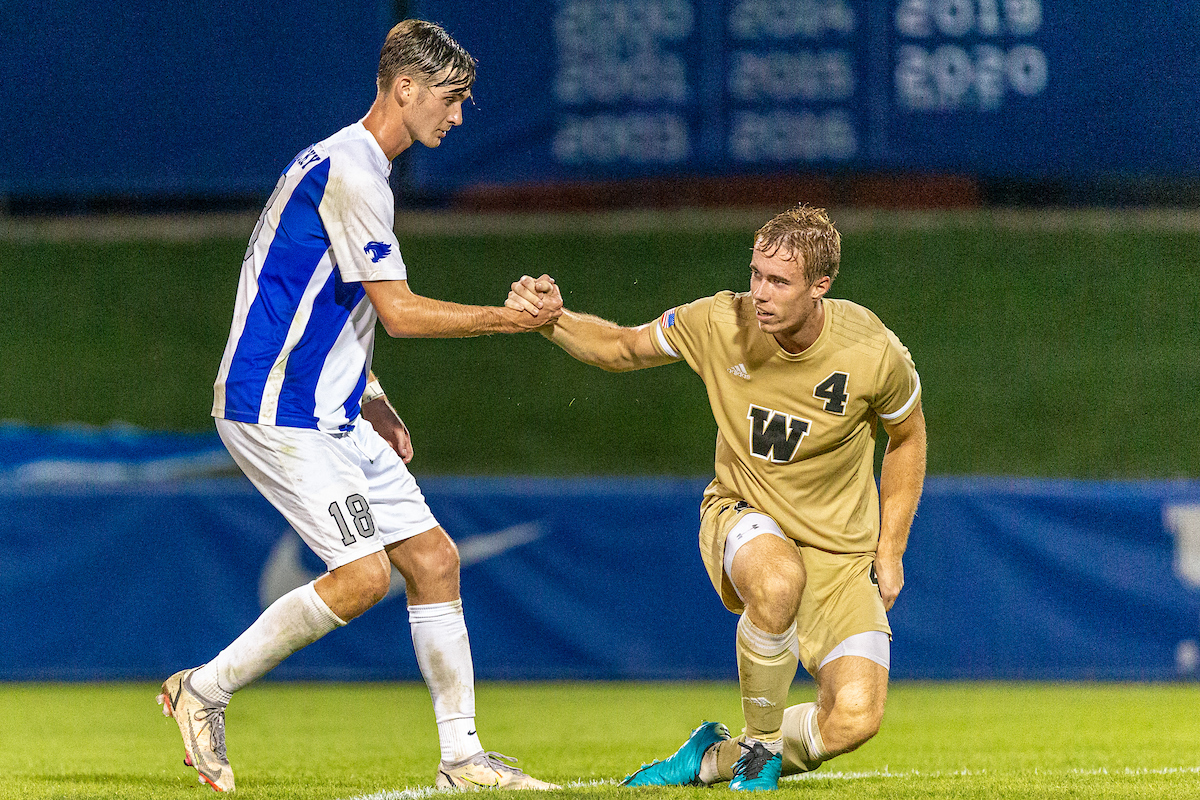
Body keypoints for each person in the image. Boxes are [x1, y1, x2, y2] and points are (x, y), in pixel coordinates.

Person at [158, 20, 561, 793]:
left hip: (334, 409)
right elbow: (400, 312)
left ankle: (462, 760)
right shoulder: (354, 171)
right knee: (364, 577)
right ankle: (202, 690)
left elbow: (330, 303)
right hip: (276, 408)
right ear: (405, 89)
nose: (460, 115)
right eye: (452, 98)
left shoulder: (352, 164)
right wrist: (509, 320)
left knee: (435, 561)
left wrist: (373, 396)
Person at [509, 205, 926, 790]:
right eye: (756, 274)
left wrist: (891, 548)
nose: (760, 292)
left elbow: (907, 436)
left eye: (779, 281)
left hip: (839, 555)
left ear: (820, 287)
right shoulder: (718, 321)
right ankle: (758, 749)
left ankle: (714, 756)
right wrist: (553, 319)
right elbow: (625, 348)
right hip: (743, 515)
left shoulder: (871, 349)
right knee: (778, 582)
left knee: (855, 718)